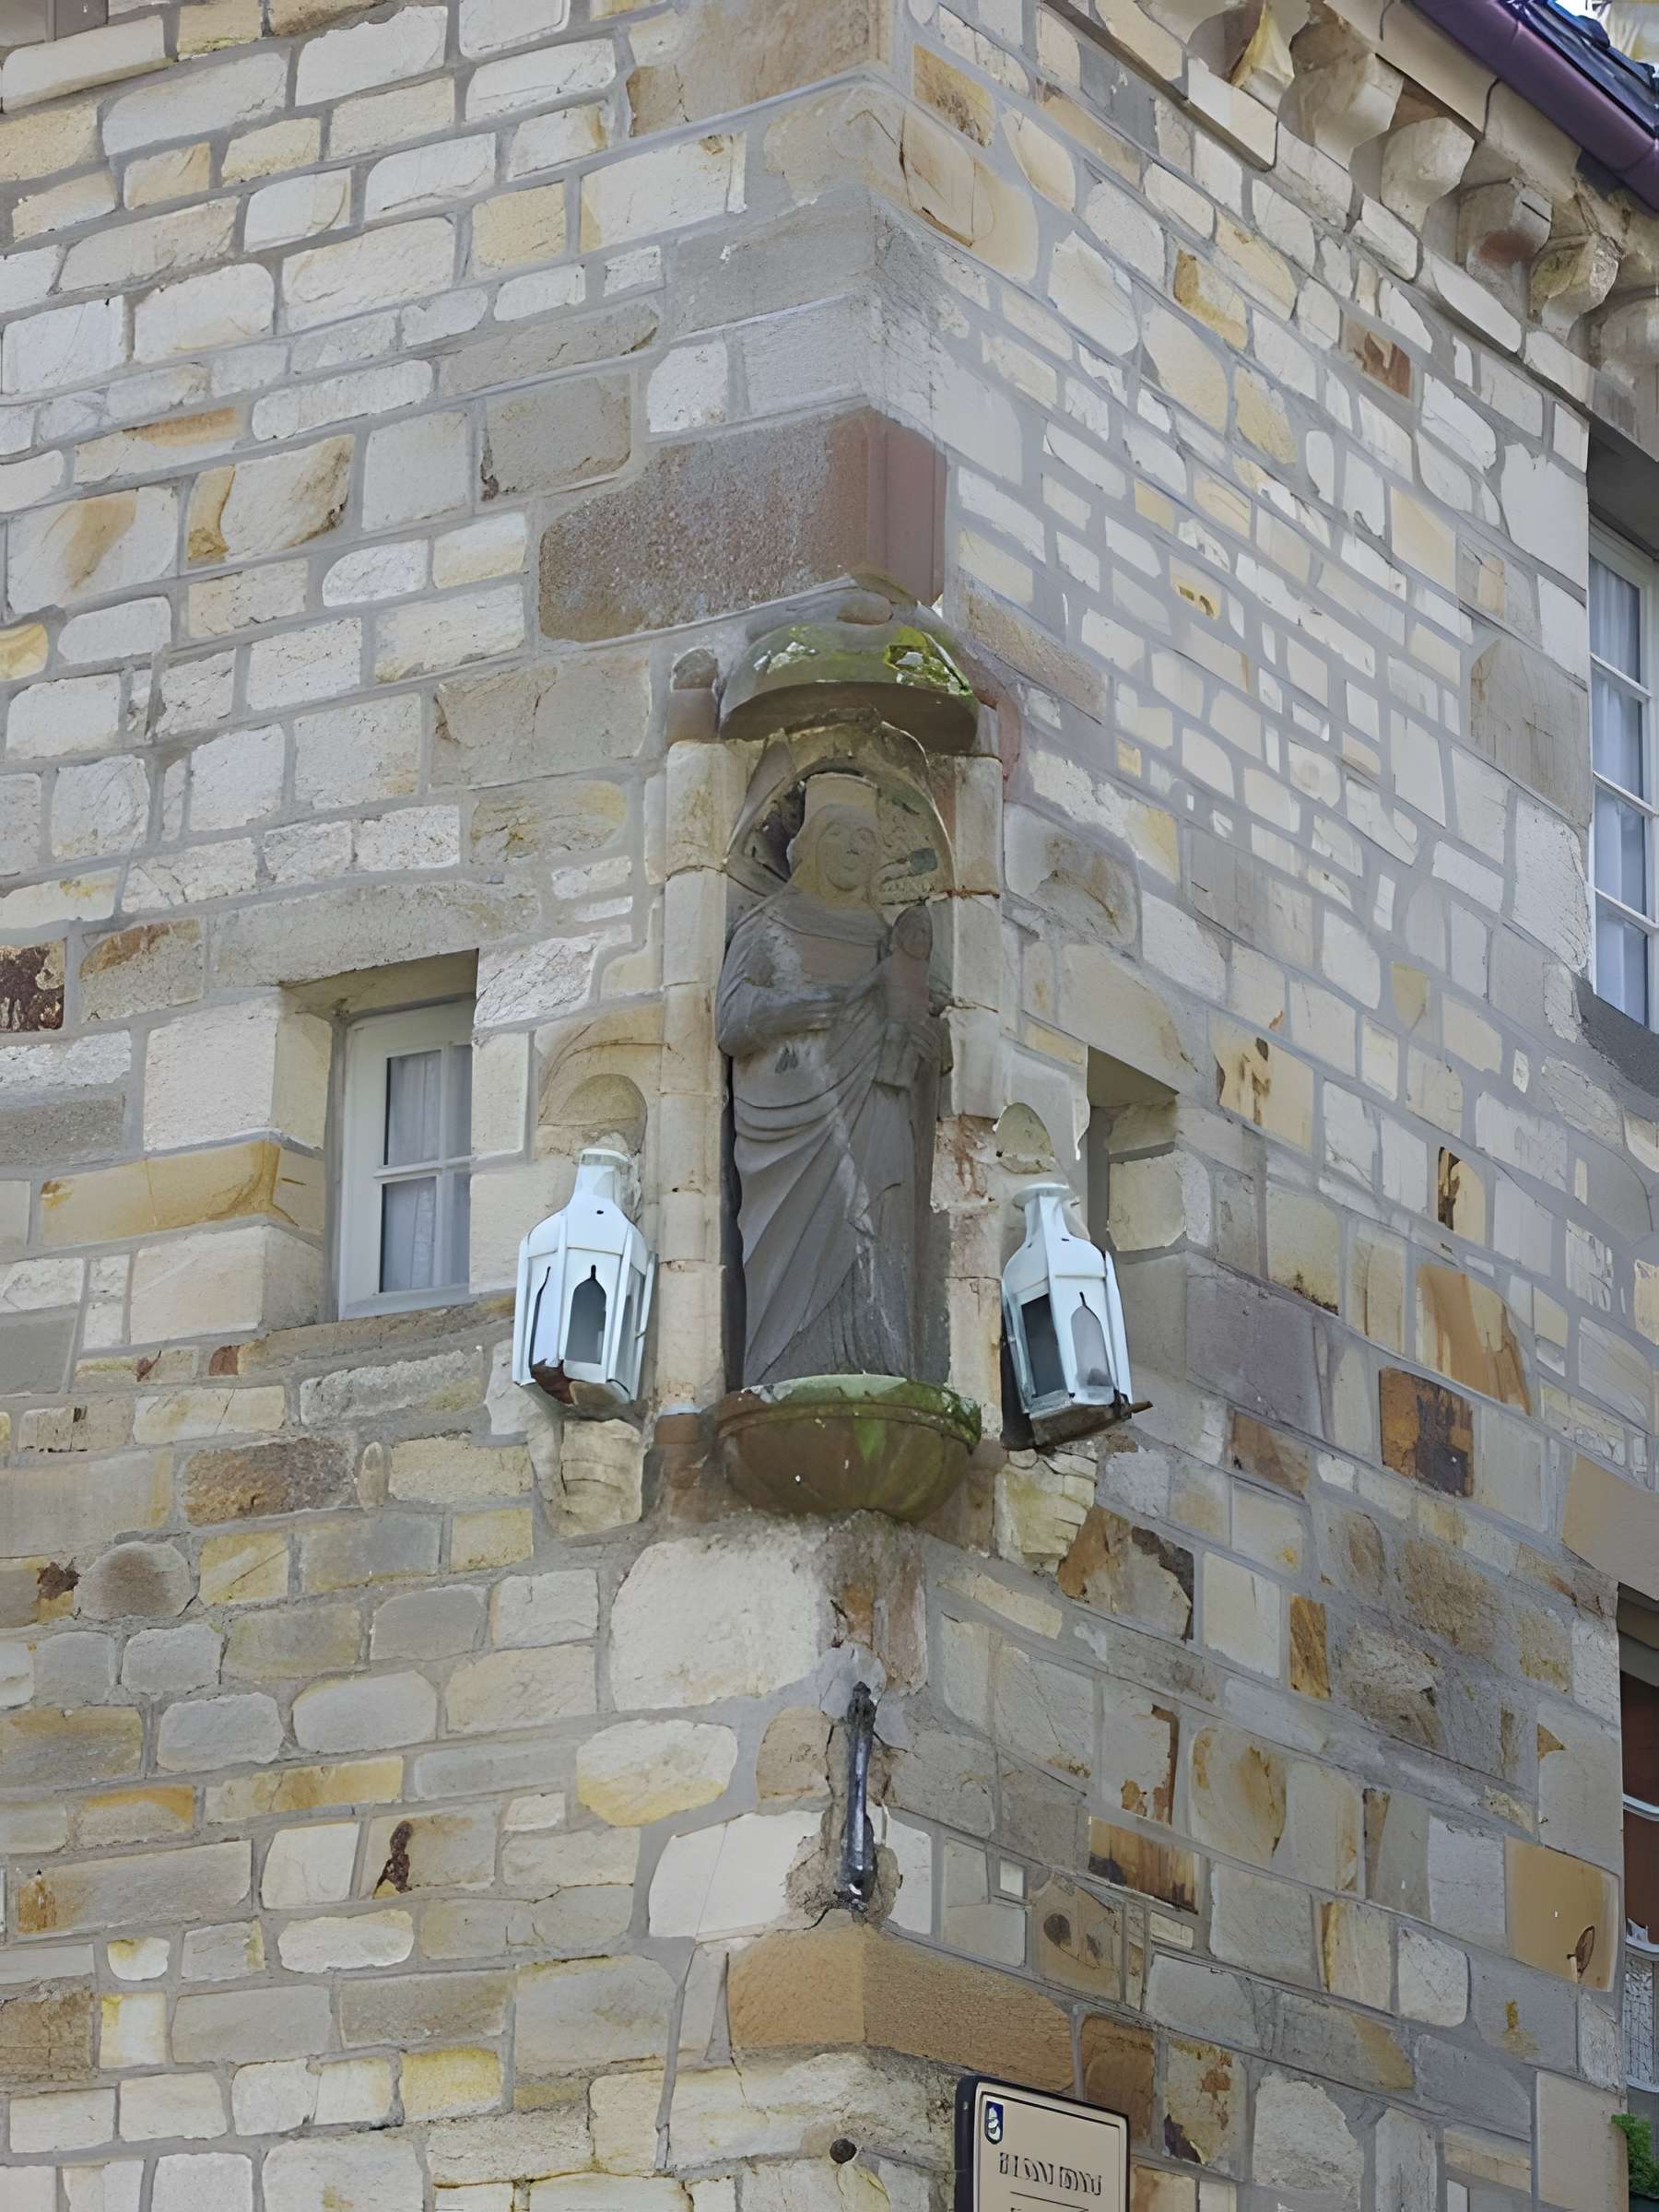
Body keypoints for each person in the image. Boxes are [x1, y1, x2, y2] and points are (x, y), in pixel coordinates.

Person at [716, 778, 941, 1387]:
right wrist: (789, 1012)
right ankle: (785, 1363)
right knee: (792, 1241)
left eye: (866, 841)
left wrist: (924, 1049)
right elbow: (730, 1019)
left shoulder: (886, 942)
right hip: (789, 1127)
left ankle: (883, 1356)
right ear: (811, 845)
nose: (854, 850)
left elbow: (930, 1038)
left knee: (883, 1213)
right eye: (840, 835)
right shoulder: (768, 926)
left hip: (879, 1107)